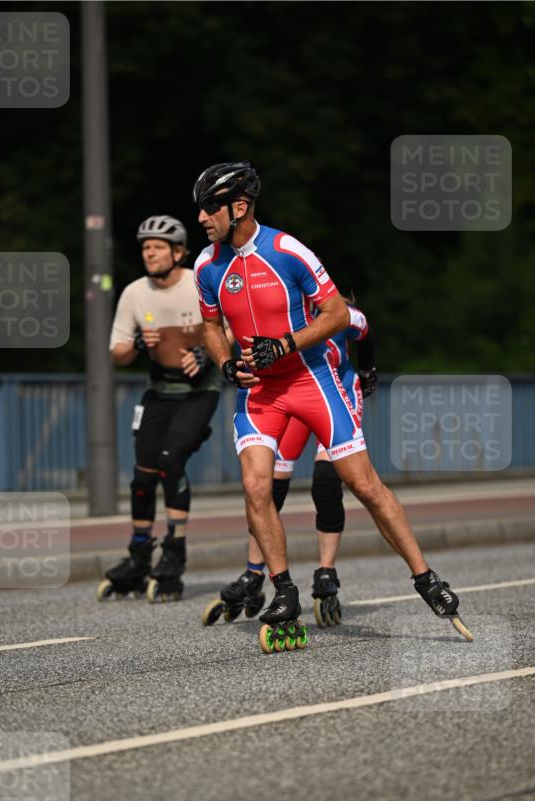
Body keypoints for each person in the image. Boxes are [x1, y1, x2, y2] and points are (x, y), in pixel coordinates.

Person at [192, 162, 471, 644]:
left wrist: (285, 345)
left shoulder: (287, 250)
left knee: (362, 484)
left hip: (311, 380)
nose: (201, 218)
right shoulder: (206, 265)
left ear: (239, 207)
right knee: (256, 486)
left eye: (209, 208)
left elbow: (338, 313)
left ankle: (426, 578)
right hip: (259, 391)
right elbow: (212, 326)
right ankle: (283, 590)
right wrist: (224, 363)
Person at [204, 302, 377, 628]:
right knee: (268, 489)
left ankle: (326, 571)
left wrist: (367, 372)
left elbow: (365, 331)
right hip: (293, 394)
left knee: (326, 482)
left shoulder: (336, 312)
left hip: (337, 393)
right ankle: (254, 572)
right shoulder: (276, 308)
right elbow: (228, 331)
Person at [99, 214, 221, 602]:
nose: (149, 253)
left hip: (200, 391)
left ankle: (173, 554)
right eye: (145, 247)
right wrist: (137, 343)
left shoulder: (199, 283)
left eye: (158, 247)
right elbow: (116, 352)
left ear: (179, 252)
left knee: (171, 460)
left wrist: (206, 353)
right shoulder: (135, 293)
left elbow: (233, 329)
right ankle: (139, 556)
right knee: (142, 475)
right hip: (159, 391)